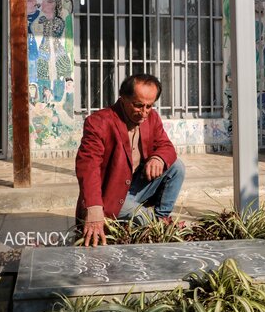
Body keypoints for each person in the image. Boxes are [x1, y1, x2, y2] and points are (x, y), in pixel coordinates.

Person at [75, 73, 185, 247]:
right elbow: (88, 167)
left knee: (176, 167)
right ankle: (159, 226)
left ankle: (162, 217)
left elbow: (167, 146)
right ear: (123, 98)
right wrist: (94, 208)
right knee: (144, 219)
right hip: (109, 197)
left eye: (149, 106)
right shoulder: (99, 122)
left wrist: (158, 158)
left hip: (134, 187)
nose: (144, 113)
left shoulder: (152, 118)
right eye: (138, 105)